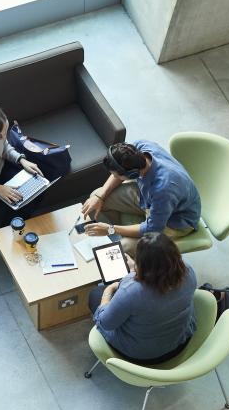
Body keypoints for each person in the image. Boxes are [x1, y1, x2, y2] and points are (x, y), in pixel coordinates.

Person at [89, 233, 197, 365]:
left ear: (141, 262)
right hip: (180, 343)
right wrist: (137, 268)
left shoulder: (130, 291)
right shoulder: (188, 271)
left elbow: (106, 323)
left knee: (95, 295)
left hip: (143, 355)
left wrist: (109, 289)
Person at [81, 141, 201, 256]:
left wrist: (111, 229)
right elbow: (118, 175)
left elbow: (152, 229)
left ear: (132, 174)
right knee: (96, 198)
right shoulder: (139, 147)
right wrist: (100, 197)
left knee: (125, 247)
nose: (113, 177)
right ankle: (123, 232)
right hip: (149, 197)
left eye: (116, 175)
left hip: (175, 220)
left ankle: (130, 247)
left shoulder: (163, 189)